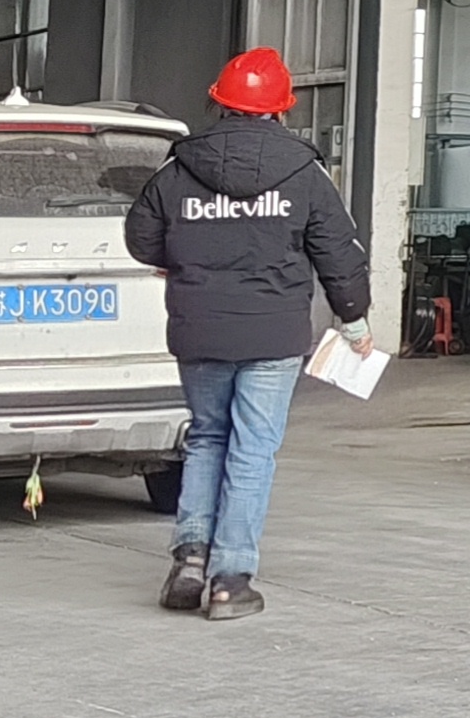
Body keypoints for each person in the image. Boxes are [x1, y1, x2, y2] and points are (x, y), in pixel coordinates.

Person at [125, 46, 370, 622]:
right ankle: (230, 580)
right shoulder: (305, 173)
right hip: (272, 333)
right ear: (281, 109)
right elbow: (338, 252)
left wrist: (180, 259)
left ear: (220, 103)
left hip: (199, 328)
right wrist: (353, 319)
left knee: (208, 438)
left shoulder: (178, 167)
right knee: (253, 449)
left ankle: (189, 561)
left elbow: (141, 237)